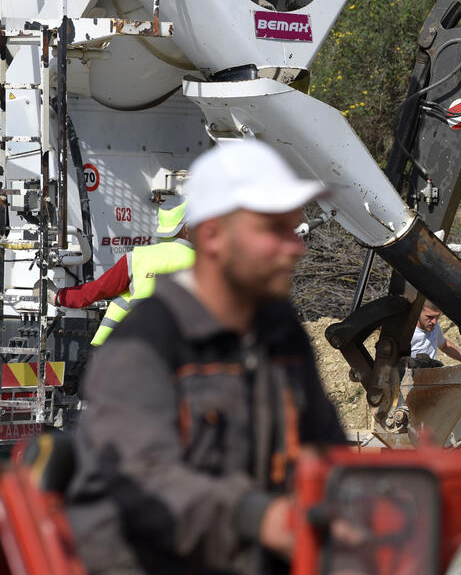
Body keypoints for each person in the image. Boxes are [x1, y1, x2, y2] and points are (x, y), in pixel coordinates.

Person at [65, 140, 347, 574]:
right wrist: (257, 515)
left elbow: (326, 449)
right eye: (273, 230)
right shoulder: (143, 347)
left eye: (293, 230)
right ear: (213, 236)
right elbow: (141, 481)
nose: (295, 247)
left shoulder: (280, 333)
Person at [56, 196, 194, 346]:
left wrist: (59, 296)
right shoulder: (205, 263)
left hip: (133, 346)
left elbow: (96, 290)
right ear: (187, 227)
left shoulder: (136, 257)